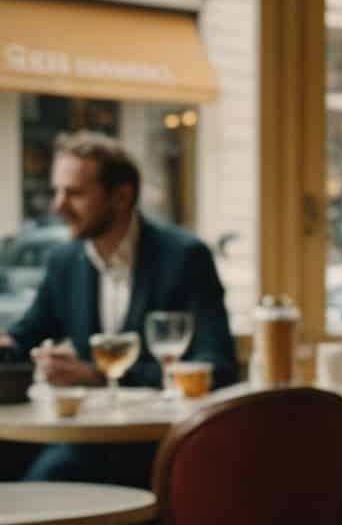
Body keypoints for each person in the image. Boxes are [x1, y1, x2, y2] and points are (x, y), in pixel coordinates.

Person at [1, 132, 237, 484]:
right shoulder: (64, 261)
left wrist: (96, 375)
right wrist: (6, 344)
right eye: (57, 191)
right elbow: (27, 332)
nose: (58, 206)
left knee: (51, 475)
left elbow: (216, 366)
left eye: (75, 193)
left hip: (155, 442)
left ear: (122, 196)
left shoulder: (184, 257)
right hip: (80, 432)